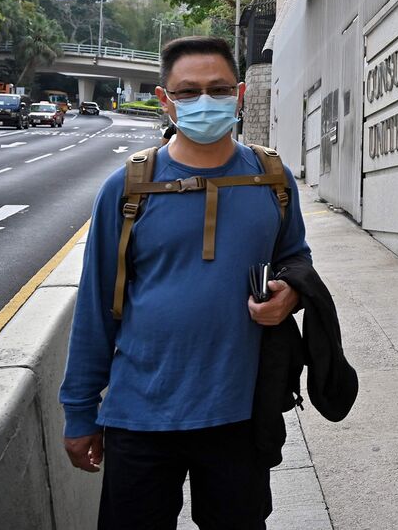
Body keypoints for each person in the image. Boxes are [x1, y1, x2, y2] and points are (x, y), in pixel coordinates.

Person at [60, 36, 310, 530]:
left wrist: (292, 294)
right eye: (188, 92)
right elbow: (94, 307)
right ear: (164, 99)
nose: (204, 101)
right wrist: (80, 412)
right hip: (140, 415)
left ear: (239, 95)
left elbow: (295, 258)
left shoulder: (273, 179)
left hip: (239, 413)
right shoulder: (128, 188)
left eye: (217, 90)